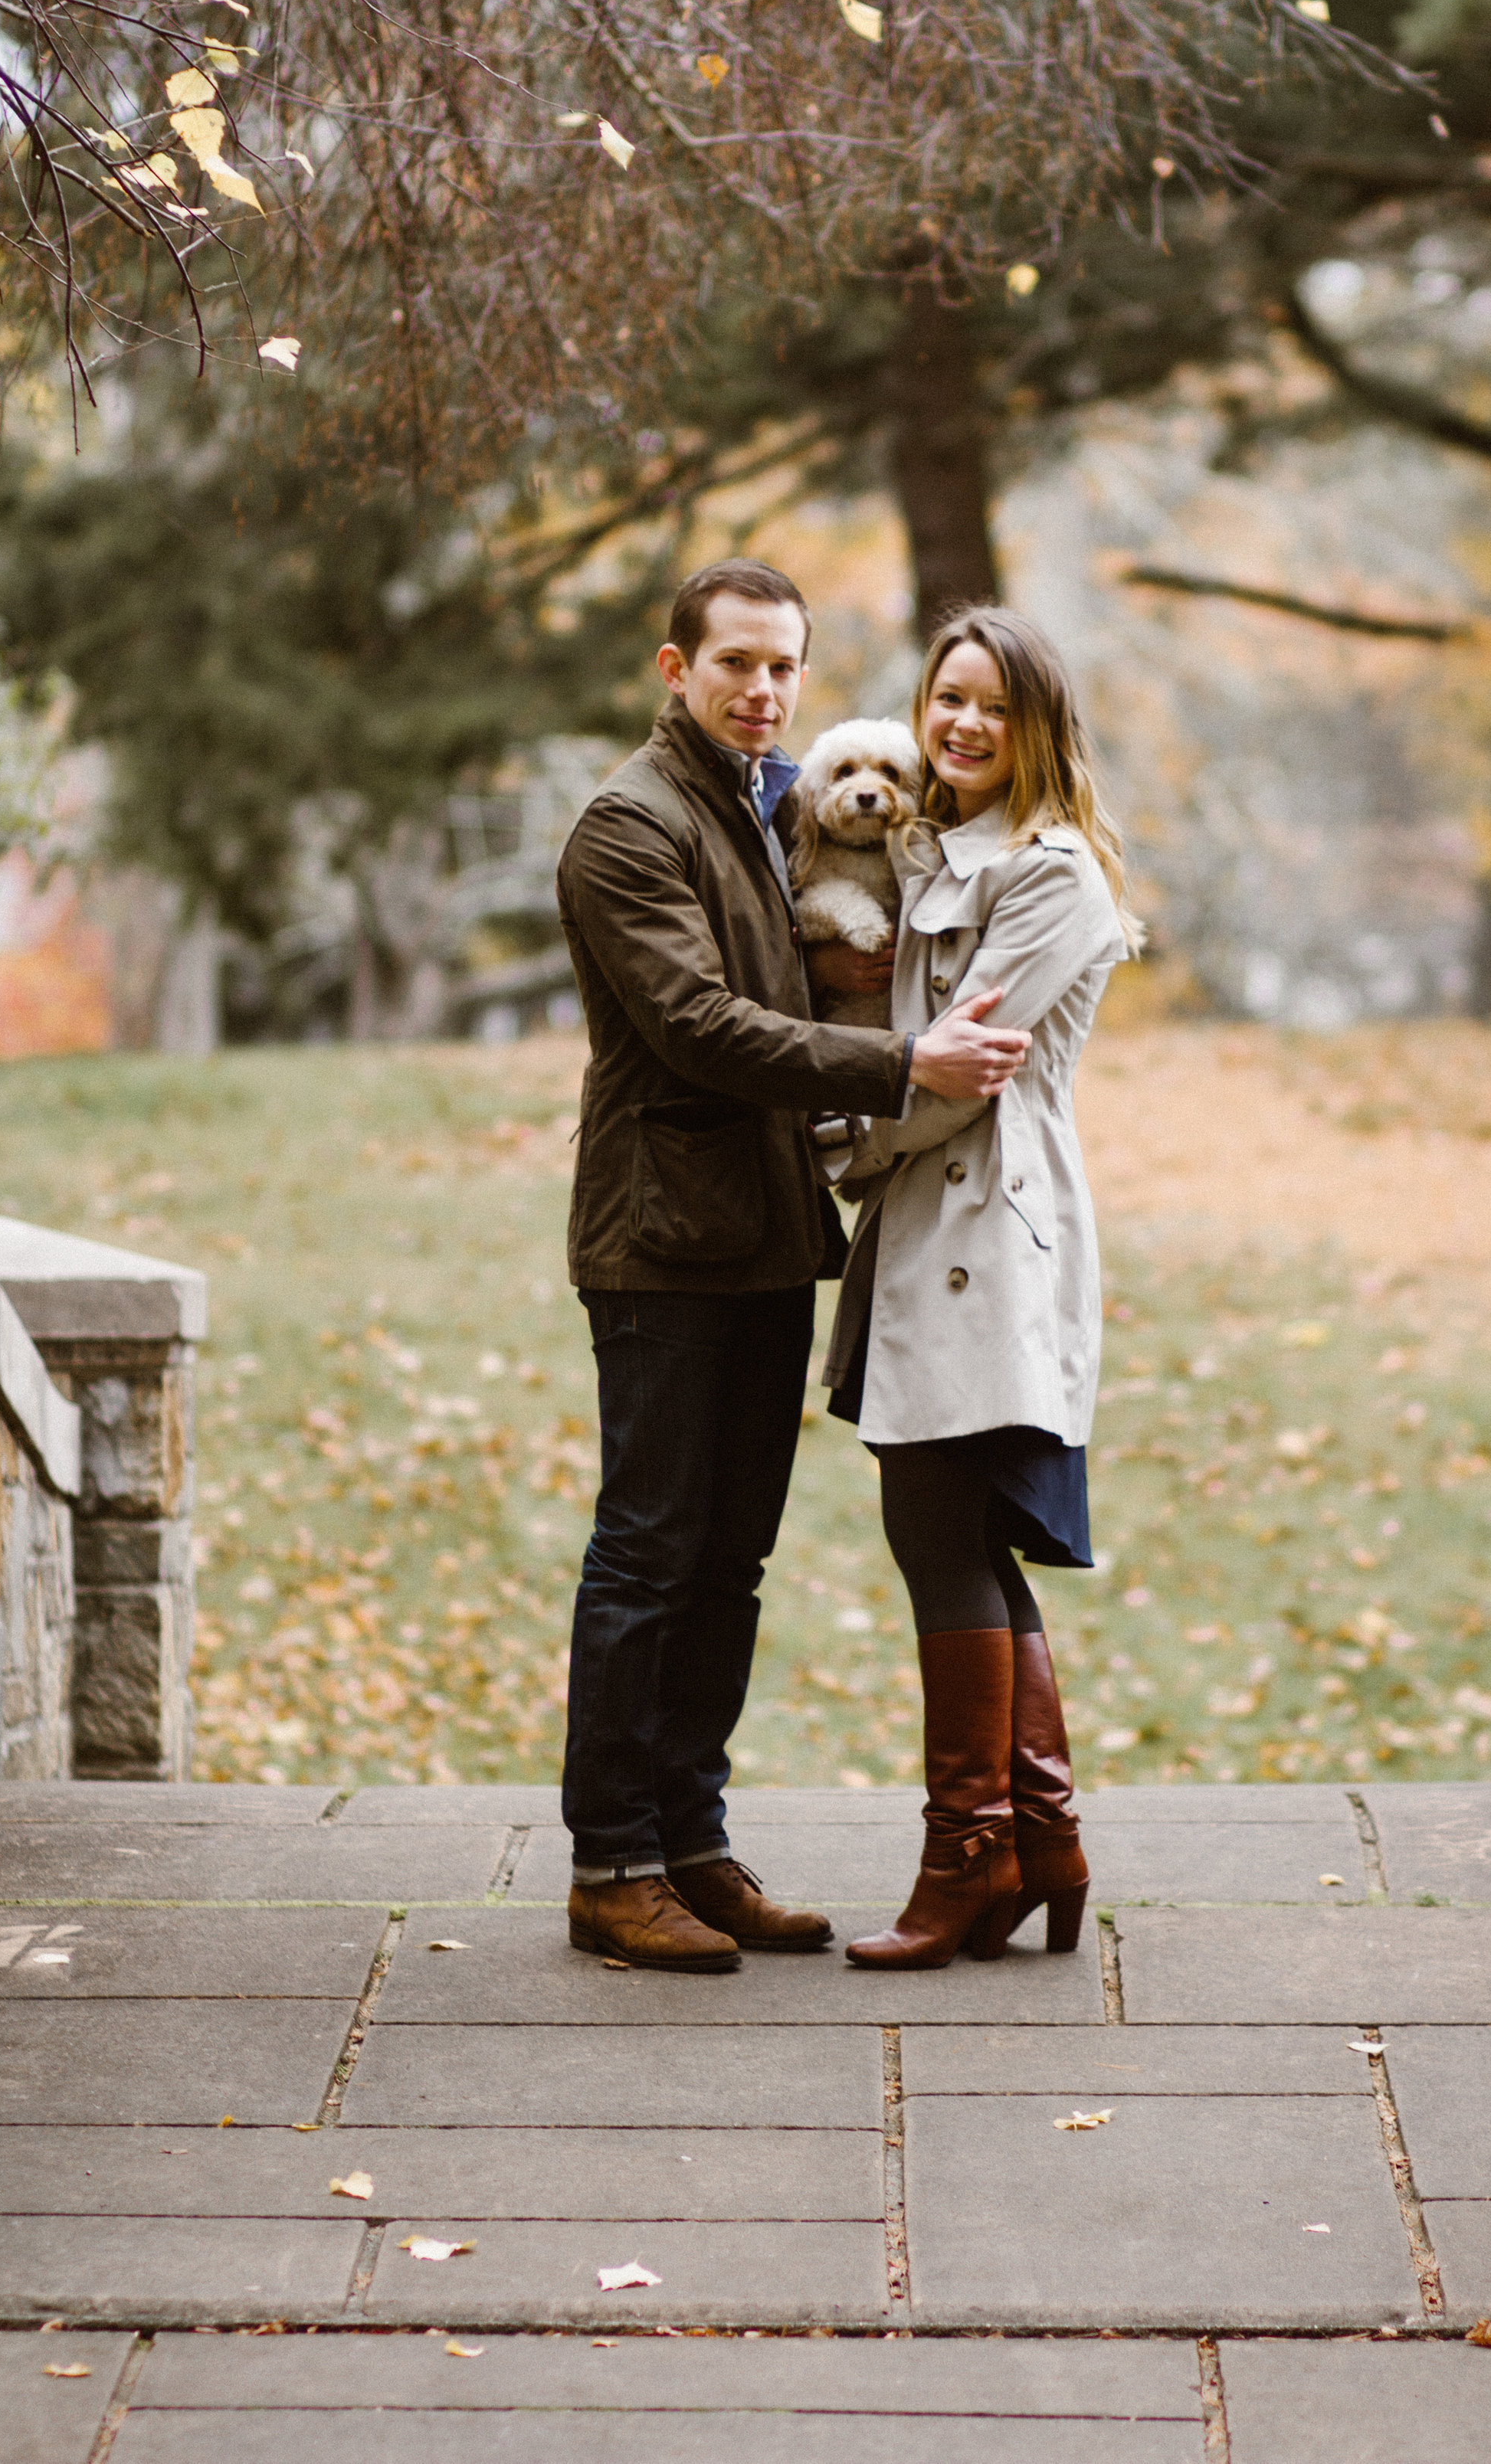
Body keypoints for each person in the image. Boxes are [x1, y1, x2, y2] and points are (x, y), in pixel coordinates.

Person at [552, 558, 1031, 1975]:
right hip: (661, 1241)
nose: (761, 690)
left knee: (730, 1561)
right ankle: (611, 1863)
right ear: (673, 668)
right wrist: (901, 1065)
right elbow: (699, 1024)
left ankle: (691, 1843)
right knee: (650, 1550)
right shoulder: (629, 826)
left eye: (783, 669)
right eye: (735, 665)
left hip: (763, 1236)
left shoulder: (766, 813)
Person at [818, 607, 1135, 1972]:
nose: (960, 725)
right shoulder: (929, 850)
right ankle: (1033, 1839)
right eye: (945, 698)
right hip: (926, 1227)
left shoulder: (1052, 871)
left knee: (944, 1530)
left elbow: (959, 1071)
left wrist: (829, 1139)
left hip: (987, 1229)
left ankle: (970, 1856)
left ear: (1038, 726)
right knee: (951, 1535)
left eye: (991, 707)